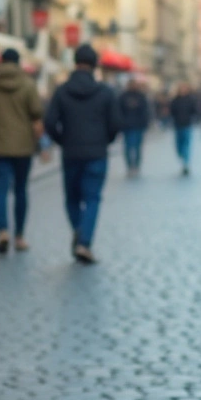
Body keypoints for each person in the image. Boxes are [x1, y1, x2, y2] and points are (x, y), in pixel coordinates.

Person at [45, 44, 121, 263]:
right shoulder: (105, 92)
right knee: (93, 198)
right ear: (95, 64)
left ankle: (78, 230)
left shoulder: (62, 91)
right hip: (97, 152)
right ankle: (84, 241)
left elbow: (50, 122)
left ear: (75, 62)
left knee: (72, 198)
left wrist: (63, 141)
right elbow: (115, 123)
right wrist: (104, 140)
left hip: (71, 153)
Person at [0, 48, 45, 254]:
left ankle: (2, 231)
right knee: (21, 190)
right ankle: (20, 236)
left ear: (1, 61)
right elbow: (37, 114)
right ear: (18, 62)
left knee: (1, 189)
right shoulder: (28, 85)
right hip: (23, 147)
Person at [118, 80, 151, 176]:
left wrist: (145, 123)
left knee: (137, 147)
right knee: (128, 147)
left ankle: (136, 165)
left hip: (138, 126)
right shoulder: (123, 97)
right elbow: (119, 111)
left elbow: (145, 111)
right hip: (127, 126)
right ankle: (130, 166)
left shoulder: (141, 96)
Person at [169, 83, 197, 175]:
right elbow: (171, 111)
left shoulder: (190, 99)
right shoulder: (175, 100)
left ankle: (186, 163)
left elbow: (194, 110)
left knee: (186, 144)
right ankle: (182, 156)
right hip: (177, 124)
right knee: (179, 144)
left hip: (187, 124)